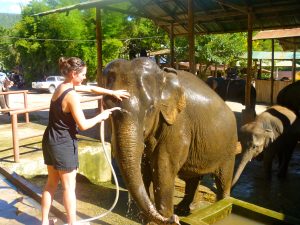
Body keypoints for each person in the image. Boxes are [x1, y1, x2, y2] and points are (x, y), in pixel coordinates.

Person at [41, 57, 130, 225]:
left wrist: (111, 92)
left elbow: (90, 89)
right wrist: (101, 116)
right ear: (74, 73)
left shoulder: (61, 87)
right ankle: (72, 223)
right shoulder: (72, 95)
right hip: (63, 144)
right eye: (82, 75)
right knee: (69, 188)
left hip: (50, 140)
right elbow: (83, 125)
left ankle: (44, 222)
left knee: (51, 183)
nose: (84, 78)